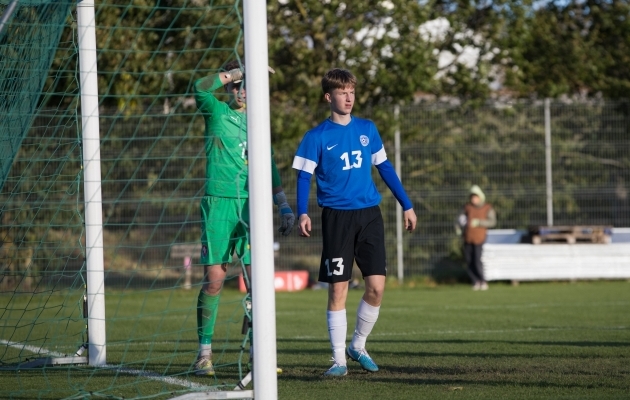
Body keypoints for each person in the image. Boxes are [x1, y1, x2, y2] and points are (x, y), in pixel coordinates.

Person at [292, 68, 417, 377]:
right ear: (328, 97)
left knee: (376, 287)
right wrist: (302, 211)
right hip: (336, 217)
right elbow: (303, 175)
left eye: (351, 91)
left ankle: (357, 346)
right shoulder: (316, 136)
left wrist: (407, 204)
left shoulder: (367, 128)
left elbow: (385, 167)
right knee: (338, 290)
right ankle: (338, 361)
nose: (348, 97)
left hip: (369, 215)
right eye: (342, 92)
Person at [192, 59, 295, 376]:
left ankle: (257, 353)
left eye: (249, 84)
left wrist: (282, 204)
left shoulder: (259, 122)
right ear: (230, 85)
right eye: (238, 84)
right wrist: (237, 73)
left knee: (258, 283)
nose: (243, 90)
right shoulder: (217, 112)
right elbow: (199, 87)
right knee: (215, 280)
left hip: (254, 206)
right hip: (219, 204)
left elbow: (270, 163)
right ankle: (204, 354)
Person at [455, 185, 496, 291]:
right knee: (469, 260)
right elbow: (459, 219)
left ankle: (482, 280)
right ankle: (475, 281)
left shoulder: (487, 207)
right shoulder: (467, 207)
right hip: (468, 237)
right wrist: (458, 227)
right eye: (472, 197)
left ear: (480, 197)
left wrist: (479, 222)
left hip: (479, 238)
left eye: (475, 197)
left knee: (477, 260)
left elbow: (492, 222)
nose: (473, 199)